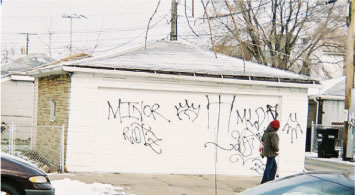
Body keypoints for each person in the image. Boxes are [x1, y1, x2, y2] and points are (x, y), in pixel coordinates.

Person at [261, 119, 280, 184]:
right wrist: (277, 150)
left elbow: (262, 140)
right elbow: (274, 144)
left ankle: (270, 180)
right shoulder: (274, 134)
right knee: (269, 167)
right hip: (271, 153)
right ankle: (265, 181)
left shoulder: (266, 133)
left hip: (266, 151)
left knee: (274, 166)